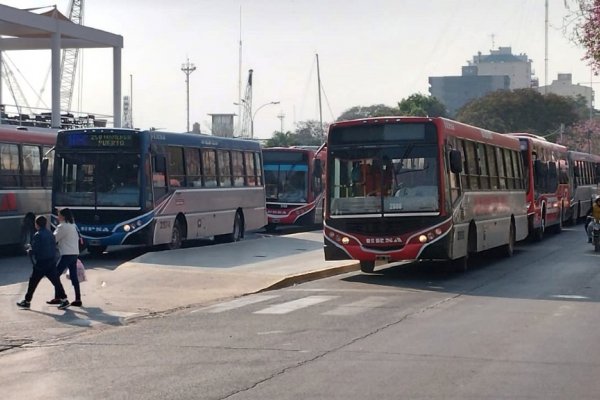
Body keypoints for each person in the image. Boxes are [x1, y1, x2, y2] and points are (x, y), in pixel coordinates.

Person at [16, 216, 69, 310]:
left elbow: (36, 249)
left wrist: (29, 250)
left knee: (33, 282)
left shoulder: (38, 235)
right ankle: (64, 300)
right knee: (56, 281)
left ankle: (27, 301)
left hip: (41, 263)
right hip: (51, 261)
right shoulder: (50, 234)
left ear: (37, 224)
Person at [48, 208, 82, 307]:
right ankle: (78, 298)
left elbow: (53, 239)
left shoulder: (62, 226)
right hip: (74, 253)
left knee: (55, 275)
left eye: (59, 215)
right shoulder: (73, 225)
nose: (57, 217)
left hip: (66, 254)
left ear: (63, 216)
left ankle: (59, 297)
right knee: (74, 276)